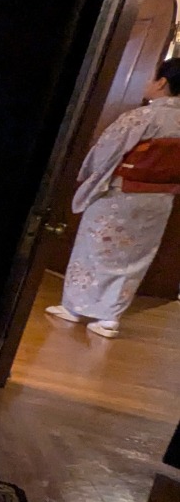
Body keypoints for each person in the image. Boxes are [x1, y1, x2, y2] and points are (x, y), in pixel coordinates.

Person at [46, 57, 180, 337]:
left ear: (162, 82)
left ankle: (75, 307)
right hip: (160, 199)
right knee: (135, 257)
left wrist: (90, 175)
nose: (148, 82)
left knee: (94, 249)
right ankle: (109, 317)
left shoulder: (142, 117)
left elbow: (106, 152)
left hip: (121, 194)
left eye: (152, 77)